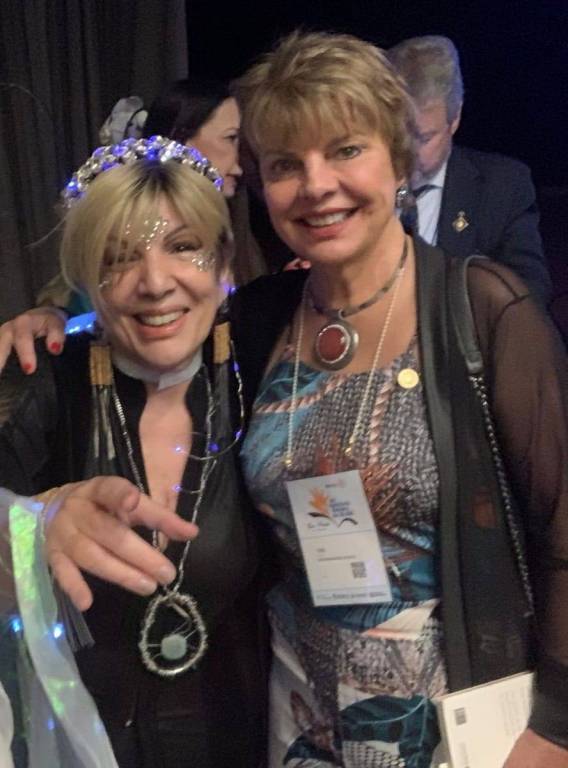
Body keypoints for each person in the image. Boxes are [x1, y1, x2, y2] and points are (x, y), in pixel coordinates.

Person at [2, 30, 568, 768]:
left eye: (346, 150)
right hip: (295, 713)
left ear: (400, 158)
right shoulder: (261, 319)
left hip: (452, 720)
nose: (317, 185)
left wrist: (556, 727)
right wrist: (52, 319)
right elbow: (148, 310)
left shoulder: (484, 311)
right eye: (284, 165)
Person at [0, 137, 266, 767]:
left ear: (223, 258)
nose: (155, 283)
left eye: (184, 247)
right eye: (118, 259)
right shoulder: (41, 382)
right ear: (86, 279)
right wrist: (28, 527)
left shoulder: (264, 361)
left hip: (245, 742)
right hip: (82, 748)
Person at [36, 77, 266, 315]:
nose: (156, 285)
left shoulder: (242, 228)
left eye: (184, 247)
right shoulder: (117, 216)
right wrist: (54, 317)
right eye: (231, 138)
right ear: (181, 136)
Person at [387, 35, 552, 305]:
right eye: (396, 135)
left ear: (455, 119)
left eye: (424, 138)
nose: (407, 152)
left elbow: (530, 293)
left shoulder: (503, 187)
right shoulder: (356, 180)